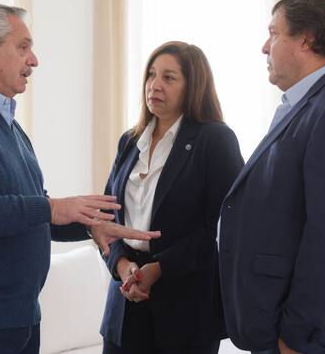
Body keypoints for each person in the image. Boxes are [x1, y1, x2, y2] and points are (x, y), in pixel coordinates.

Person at [0, 2, 159, 354]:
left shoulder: (6, 124)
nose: (34, 60)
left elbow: (26, 215)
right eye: (23, 47)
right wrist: (52, 208)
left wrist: (86, 225)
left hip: (15, 317)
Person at [218, 0, 325, 354]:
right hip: (286, 325)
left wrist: (296, 333)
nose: (265, 47)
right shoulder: (312, 102)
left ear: (305, 39)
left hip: (311, 335)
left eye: (274, 33)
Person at [99, 41, 244, 354]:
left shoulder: (215, 139)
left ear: (193, 86)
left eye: (169, 77)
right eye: (151, 75)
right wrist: (122, 265)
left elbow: (223, 229)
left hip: (185, 308)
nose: (155, 85)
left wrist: (159, 268)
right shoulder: (130, 140)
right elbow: (107, 217)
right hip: (125, 300)